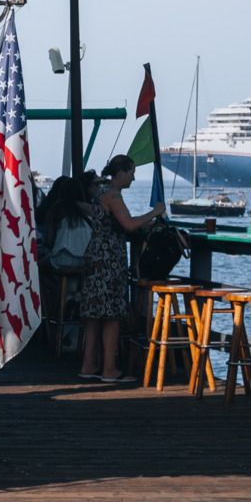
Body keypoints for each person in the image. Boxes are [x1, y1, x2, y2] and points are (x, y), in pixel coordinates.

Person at [75, 154, 163, 382]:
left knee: (94, 315)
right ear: (121, 172)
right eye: (131, 172)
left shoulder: (99, 192)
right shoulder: (113, 195)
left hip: (95, 255)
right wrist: (155, 212)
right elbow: (129, 225)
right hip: (109, 259)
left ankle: (88, 366)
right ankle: (109, 369)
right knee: (112, 315)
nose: (134, 177)